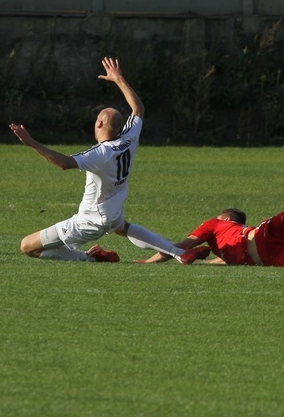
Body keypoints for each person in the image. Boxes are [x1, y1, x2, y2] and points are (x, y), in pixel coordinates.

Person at [11, 57, 186, 263]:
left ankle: (90, 258)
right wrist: (119, 79)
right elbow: (138, 109)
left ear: (100, 124)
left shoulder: (101, 152)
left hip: (89, 220)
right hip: (112, 212)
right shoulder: (129, 137)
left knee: (27, 247)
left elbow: (64, 163)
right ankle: (179, 252)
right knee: (123, 227)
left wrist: (32, 142)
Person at [142, 181, 284, 267]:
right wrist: (204, 258)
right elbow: (224, 260)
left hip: (265, 234)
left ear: (225, 219)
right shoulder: (223, 251)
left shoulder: (214, 224)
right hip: (271, 257)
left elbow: (178, 247)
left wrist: (144, 262)